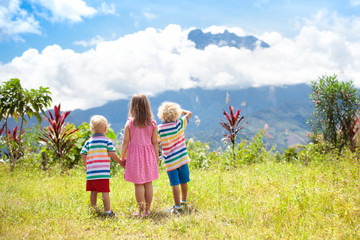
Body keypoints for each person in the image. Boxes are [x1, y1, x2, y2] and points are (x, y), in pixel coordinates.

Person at [121, 94, 159, 217]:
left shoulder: (130, 123)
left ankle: (140, 210)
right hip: (149, 155)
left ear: (133, 107)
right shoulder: (152, 123)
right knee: (148, 182)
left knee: (138, 183)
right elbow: (155, 142)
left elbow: (125, 141)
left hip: (134, 156)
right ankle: (148, 210)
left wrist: (122, 156)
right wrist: (156, 157)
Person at [81, 115, 124, 217]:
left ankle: (94, 208)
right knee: (105, 192)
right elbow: (112, 153)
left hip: (91, 173)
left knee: (93, 192)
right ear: (105, 129)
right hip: (102, 173)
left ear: (92, 129)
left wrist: (87, 166)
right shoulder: (107, 141)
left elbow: (83, 153)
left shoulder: (89, 142)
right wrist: (120, 162)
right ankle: (107, 211)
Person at [157, 102, 192, 213]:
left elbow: (157, 142)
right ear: (176, 114)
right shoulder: (180, 123)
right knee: (184, 181)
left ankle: (177, 206)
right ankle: (184, 200)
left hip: (171, 162)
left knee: (175, 183)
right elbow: (189, 114)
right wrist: (180, 110)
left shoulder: (160, 129)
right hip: (182, 158)